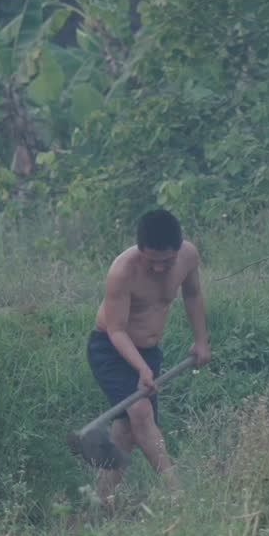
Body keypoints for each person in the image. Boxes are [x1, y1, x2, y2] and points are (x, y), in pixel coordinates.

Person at [86, 208, 210, 506]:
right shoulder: (122, 270)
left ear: (178, 249)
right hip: (111, 351)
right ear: (140, 249)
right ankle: (178, 495)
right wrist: (141, 369)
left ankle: (100, 502)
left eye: (166, 262)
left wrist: (201, 340)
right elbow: (116, 331)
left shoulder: (188, 257)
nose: (158, 268)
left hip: (149, 352)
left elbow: (192, 295)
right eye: (151, 261)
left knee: (127, 431)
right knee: (141, 413)